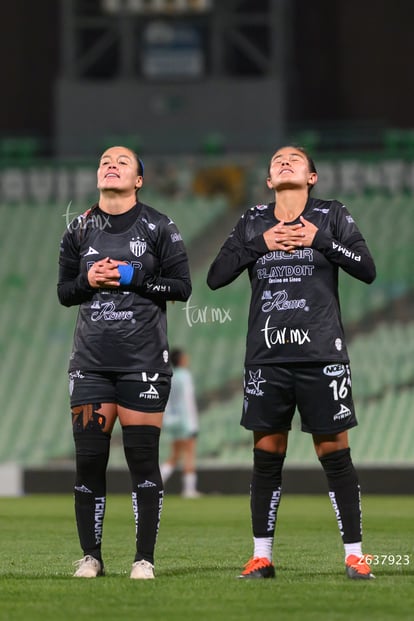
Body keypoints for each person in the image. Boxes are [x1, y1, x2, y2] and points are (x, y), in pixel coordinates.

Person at [207, 146, 376, 580]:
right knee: (267, 455)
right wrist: (259, 245)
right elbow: (215, 275)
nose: (284, 161)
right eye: (277, 160)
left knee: (334, 453)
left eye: (295, 159)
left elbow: (366, 268)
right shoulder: (252, 220)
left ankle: (355, 556)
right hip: (268, 358)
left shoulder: (332, 215)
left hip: (321, 353)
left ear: (312, 177)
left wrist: (319, 240)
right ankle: (261, 557)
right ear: (267, 181)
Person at [57, 145, 192, 579]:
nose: (111, 165)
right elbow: (64, 292)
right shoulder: (78, 229)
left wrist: (135, 277)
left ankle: (143, 559)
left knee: (142, 461)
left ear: (138, 180)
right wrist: (87, 279)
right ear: (97, 176)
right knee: (89, 462)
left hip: (143, 363)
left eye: (122, 163)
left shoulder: (159, 226)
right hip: (91, 364)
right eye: (104, 162)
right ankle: (91, 556)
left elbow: (182, 287)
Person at [160, 348, 201, 498]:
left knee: (175, 455)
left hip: (172, 420)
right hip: (185, 420)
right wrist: (193, 423)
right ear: (181, 360)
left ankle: (157, 481)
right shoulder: (185, 376)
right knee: (189, 454)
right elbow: (188, 400)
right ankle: (189, 490)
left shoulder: (171, 376)